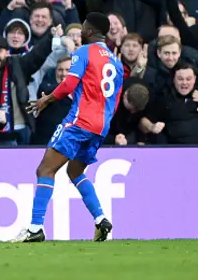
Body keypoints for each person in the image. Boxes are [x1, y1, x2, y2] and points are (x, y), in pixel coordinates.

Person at [12, 12, 124, 243]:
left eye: (83, 28)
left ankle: (35, 227)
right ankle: (101, 218)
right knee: (75, 171)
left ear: (90, 32)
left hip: (79, 122)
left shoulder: (83, 52)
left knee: (45, 170)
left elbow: (69, 84)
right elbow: (115, 100)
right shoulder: (116, 62)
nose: (81, 32)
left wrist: (46, 99)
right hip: (100, 127)